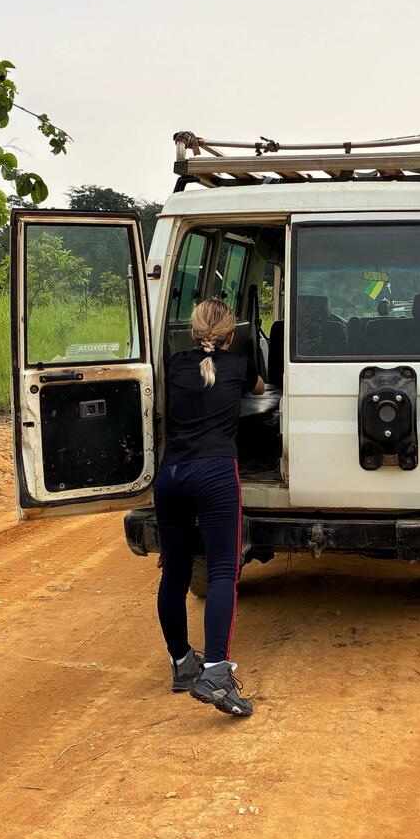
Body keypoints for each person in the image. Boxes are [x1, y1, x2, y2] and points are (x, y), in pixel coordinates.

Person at [155, 299, 264, 717]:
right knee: (222, 571)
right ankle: (216, 672)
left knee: (176, 572)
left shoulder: (175, 363)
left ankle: (182, 664)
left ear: (191, 330)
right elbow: (259, 389)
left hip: (171, 475)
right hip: (215, 474)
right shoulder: (238, 365)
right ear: (232, 334)